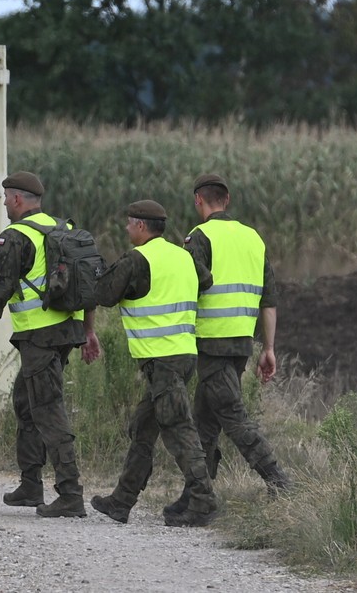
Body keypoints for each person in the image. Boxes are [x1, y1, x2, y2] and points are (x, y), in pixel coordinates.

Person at [0, 172, 99, 518]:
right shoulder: (63, 229)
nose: (4, 205)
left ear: (16, 199)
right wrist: (88, 329)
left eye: (5, 199)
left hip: (39, 336)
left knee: (47, 409)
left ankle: (70, 493)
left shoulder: (15, 236)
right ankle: (30, 485)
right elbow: (89, 282)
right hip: (65, 332)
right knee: (26, 402)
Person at [163, 174, 291, 517]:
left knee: (233, 417)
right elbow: (269, 300)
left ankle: (279, 480)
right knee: (205, 423)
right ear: (228, 199)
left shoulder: (199, 237)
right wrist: (268, 348)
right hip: (240, 344)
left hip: (211, 341)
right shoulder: (254, 238)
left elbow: (188, 286)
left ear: (198, 201)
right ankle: (196, 497)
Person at [90, 200, 219, 527]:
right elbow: (206, 282)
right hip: (184, 354)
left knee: (179, 429)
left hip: (162, 359)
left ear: (141, 227)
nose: (126, 229)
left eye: (129, 224)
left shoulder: (138, 259)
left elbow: (104, 294)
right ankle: (121, 501)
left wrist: (93, 268)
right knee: (143, 428)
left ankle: (203, 501)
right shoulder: (183, 256)